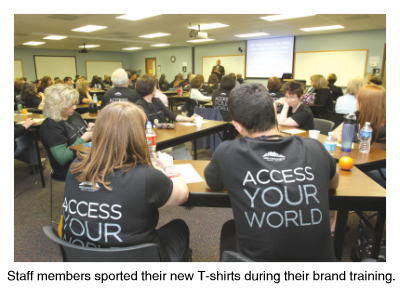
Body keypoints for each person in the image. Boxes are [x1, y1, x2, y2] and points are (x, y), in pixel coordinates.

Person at [204, 83, 339, 262]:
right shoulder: (315, 148)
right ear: (274, 113)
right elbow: (333, 183)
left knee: (230, 229)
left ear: (237, 125)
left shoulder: (227, 152)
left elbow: (211, 183)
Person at [63, 102, 191, 261]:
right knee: (179, 227)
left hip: (81, 260)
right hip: (135, 263)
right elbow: (182, 195)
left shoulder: (75, 167)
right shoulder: (145, 176)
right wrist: (168, 166)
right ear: (137, 134)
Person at [135, 74, 200, 160]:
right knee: (179, 150)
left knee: (182, 148)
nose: (157, 88)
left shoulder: (157, 101)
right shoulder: (139, 106)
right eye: (155, 86)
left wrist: (189, 119)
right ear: (149, 88)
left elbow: (171, 114)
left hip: (165, 136)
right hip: (153, 143)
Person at [40, 84, 93, 180]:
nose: (74, 107)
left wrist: (92, 130)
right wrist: (84, 139)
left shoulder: (74, 115)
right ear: (57, 106)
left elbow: (84, 133)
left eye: (74, 103)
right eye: (70, 105)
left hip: (85, 156)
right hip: (69, 167)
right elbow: (62, 158)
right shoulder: (51, 127)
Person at [334, 85, 386, 183]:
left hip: (379, 169)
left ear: (368, 103)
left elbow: (373, 157)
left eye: (358, 99)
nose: (356, 100)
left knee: (342, 174)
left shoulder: (384, 127)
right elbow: (335, 132)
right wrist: (339, 136)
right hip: (360, 161)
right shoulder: (358, 114)